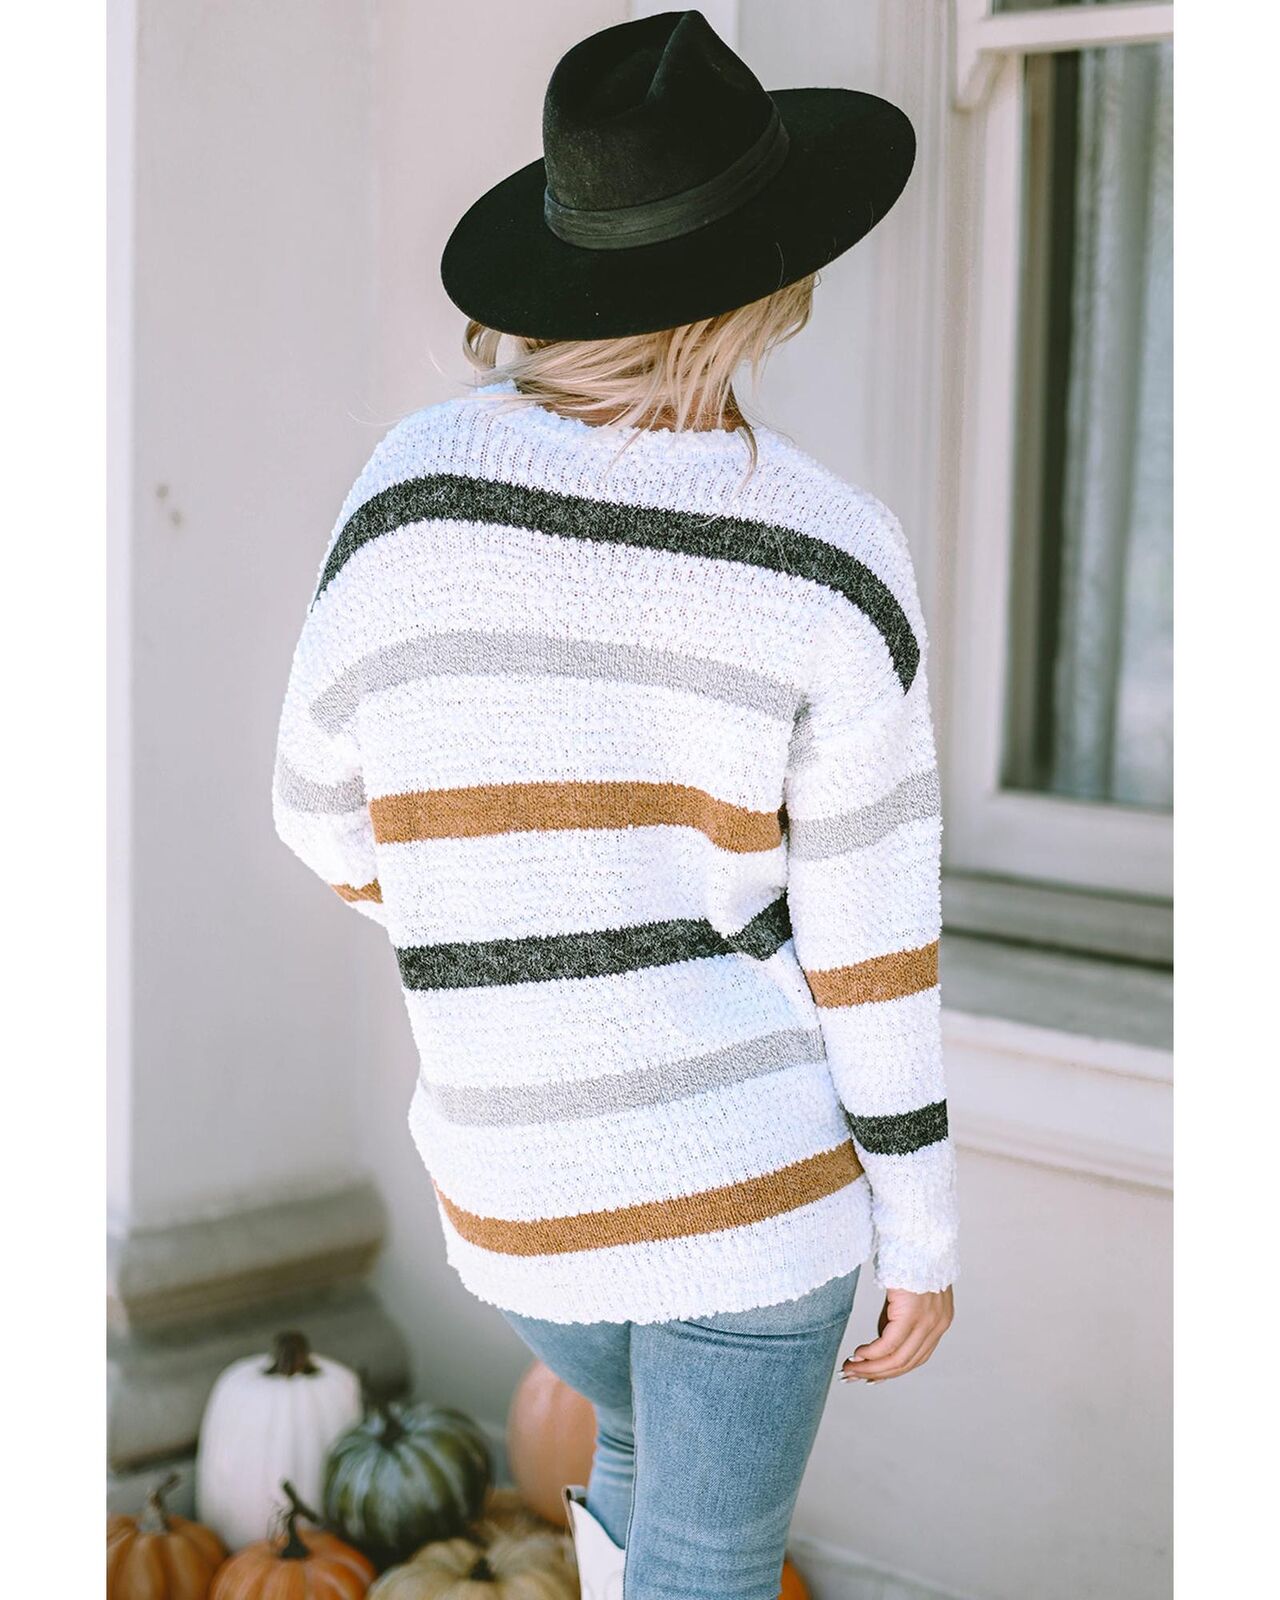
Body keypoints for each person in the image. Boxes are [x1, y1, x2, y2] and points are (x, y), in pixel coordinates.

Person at [273, 11, 958, 1598]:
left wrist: (495, 913)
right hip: (747, 1193)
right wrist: (923, 1233)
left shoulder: (411, 492)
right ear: (773, 283)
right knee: (711, 1566)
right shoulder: (829, 550)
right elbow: (870, 940)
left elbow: (317, 812)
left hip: (518, 1186)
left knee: (640, 1469)